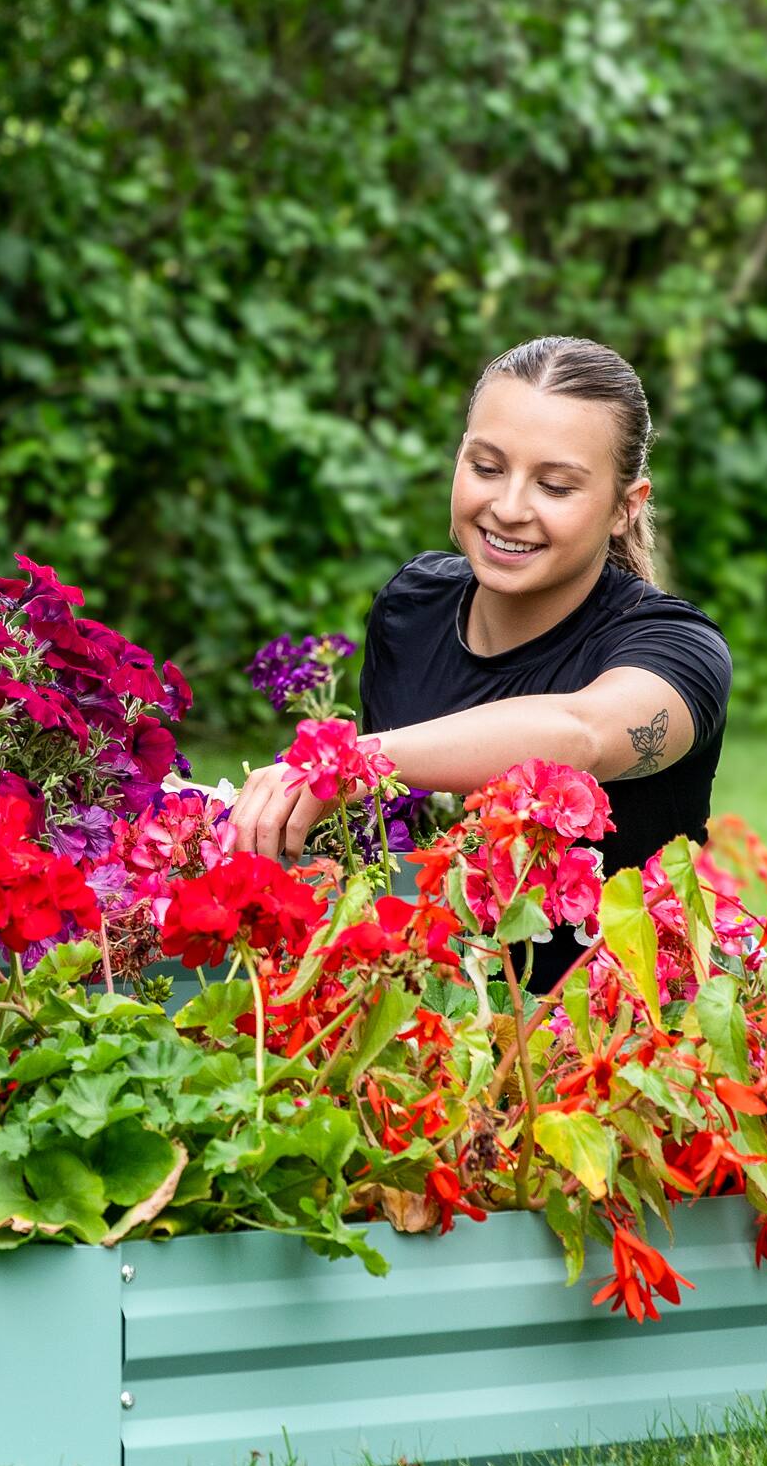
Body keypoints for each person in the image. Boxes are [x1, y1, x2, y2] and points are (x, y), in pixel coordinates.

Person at [226, 334, 731, 982]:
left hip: (610, 1048)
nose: (509, 507)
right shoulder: (411, 609)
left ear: (623, 508)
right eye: (487, 468)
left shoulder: (676, 648)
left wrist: (351, 763)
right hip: (421, 1016)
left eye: (554, 485)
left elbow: (579, 735)